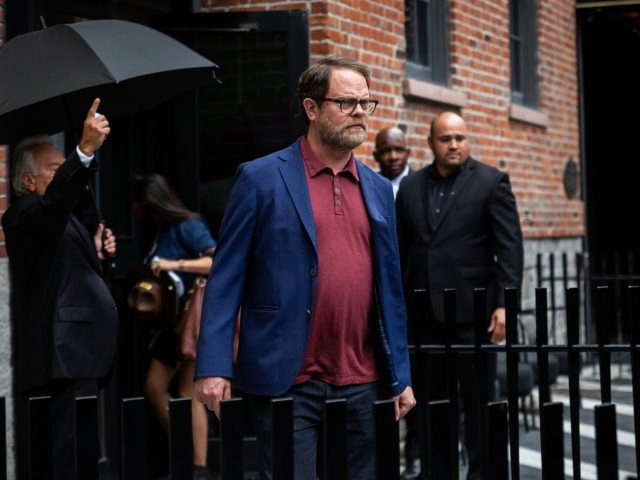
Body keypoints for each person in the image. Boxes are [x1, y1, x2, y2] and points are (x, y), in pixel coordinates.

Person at [194, 56, 415, 480]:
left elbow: (390, 288)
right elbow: (225, 279)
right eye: (346, 103)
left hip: (364, 379)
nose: (359, 113)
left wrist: (400, 375)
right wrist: (214, 366)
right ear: (311, 108)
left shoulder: (377, 187)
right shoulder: (259, 178)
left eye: (365, 103)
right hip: (288, 377)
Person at [395, 111, 524, 479]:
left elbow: (509, 249)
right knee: (434, 407)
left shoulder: (491, 182)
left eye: (460, 138)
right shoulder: (410, 187)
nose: (454, 144)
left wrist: (504, 304)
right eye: (445, 138)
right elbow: (400, 250)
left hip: (474, 315)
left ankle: (486, 475)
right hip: (424, 317)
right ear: (430, 143)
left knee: (480, 405)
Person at [2, 99, 117, 480]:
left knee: (83, 455)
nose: (62, 169)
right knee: (64, 459)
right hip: (61, 356)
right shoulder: (22, 214)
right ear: (28, 181)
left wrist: (99, 252)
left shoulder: (63, 218)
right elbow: (54, 208)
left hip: (81, 354)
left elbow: (75, 214)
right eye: (54, 167)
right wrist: (82, 151)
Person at [129, 173, 216, 480]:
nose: (133, 209)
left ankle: (196, 465)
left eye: (135, 202)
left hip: (189, 323)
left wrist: (173, 264)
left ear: (147, 202)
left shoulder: (187, 226)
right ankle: (192, 463)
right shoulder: (160, 231)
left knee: (177, 390)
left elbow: (214, 260)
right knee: (174, 389)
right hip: (172, 327)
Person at [373, 126, 412, 198]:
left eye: (399, 150)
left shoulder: (420, 184)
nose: (393, 157)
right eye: (386, 151)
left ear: (408, 153)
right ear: (376, 156)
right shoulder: (369, 185)